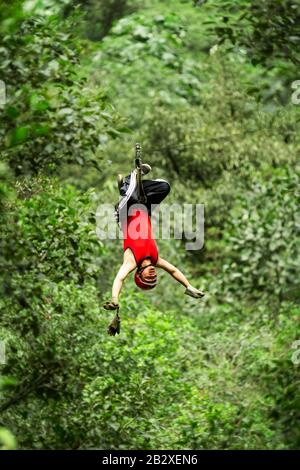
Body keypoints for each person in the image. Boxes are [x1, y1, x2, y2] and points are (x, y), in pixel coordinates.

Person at [103, 163, 205, 321]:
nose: (152, 275)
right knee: (164, 186)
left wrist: (115, 299)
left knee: (131, 194)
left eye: (148, 278)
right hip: (145, 208)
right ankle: (135, 183)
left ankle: (130, 180)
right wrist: (188, 286)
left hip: (125, 212)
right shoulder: (156, 259)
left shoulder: (131, 261)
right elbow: (173, 271)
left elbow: (120, 278)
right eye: (154, 278)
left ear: (139, 274)